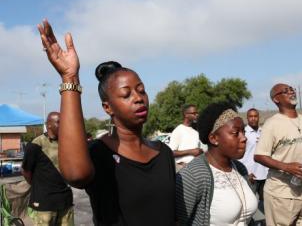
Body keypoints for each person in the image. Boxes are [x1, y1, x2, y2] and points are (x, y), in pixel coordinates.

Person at [37, 19, 175, 226]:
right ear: (107, 107)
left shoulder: (163, 152)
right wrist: (70, 78)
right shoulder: (98, 153)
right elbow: (75, 174)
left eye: (141, 90)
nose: (138, 98)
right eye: (126, 94)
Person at [176, 103, 258, 225]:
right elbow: (178, 221)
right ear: (214, 138)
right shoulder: (193, 175)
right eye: (236, 133)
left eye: (243, 132)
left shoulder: (240, 168)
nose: (244, 138)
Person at [254, 83, 302, 226]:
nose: (291, 92)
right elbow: (259, 156)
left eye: (292, 89)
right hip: (281, 195)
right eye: (286, 91)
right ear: (276, 99)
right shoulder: (271, 124)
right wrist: (286, 167)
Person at [21, 112, 74, 226]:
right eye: (58, 122)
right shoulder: (36, 144)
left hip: (65, 202)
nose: (63, 125)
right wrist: (38, 186)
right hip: (44, 204)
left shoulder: (67, 142)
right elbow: (26, 171)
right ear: (48, 124)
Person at [239, 108, 268, 201]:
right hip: (251, 175)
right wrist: (246, 172)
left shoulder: (263, 132)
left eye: (255, 116)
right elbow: (239, 154)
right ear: (247, 118)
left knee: (266, 203)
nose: (253, 118)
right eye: (251, 116)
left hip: (265, 174)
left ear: (258, 117)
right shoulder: (243, 133)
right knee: (249, 203)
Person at [168, 104, 203, 170]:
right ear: (186, 115)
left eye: (197, 113)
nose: (197, 115)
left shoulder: (195, 132)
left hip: (195, 168)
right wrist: (191, 152)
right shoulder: (178, 130)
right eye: (194, 113)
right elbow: (171, 152)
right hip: (182, 168)